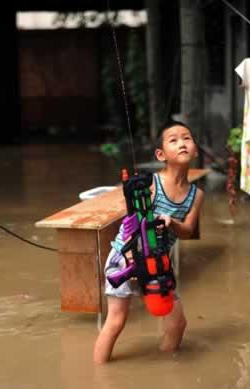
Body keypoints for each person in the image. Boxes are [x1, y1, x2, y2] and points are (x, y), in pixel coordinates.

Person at [93, 121, 205, 364]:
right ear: (160, 154)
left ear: (195, 148)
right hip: (126, 258)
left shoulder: (196, 195)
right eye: (173, 140)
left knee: (177, 323)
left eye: (186, 138)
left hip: (158, 264)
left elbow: (186, 232)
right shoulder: (149, 184)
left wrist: (172, 222)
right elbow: (130, 221)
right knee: (116, 321)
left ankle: (165, 369)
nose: (182, 143)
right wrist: (130, 256)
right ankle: (99, 375)